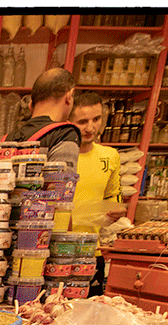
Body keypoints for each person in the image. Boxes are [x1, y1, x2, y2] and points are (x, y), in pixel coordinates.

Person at [69, 91, 126, 297]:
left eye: (96, 119)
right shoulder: (59, 156)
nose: (90, 128)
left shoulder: (110, 156)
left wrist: (116, 210)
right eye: (82, 121)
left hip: (91, 251)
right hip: (57, 251)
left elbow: (113, 196)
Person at [8, 68, 80, 172]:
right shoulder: (64, 134)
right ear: (69, 96)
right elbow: (61, 186)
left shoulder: (8, 139)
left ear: (30, 105)